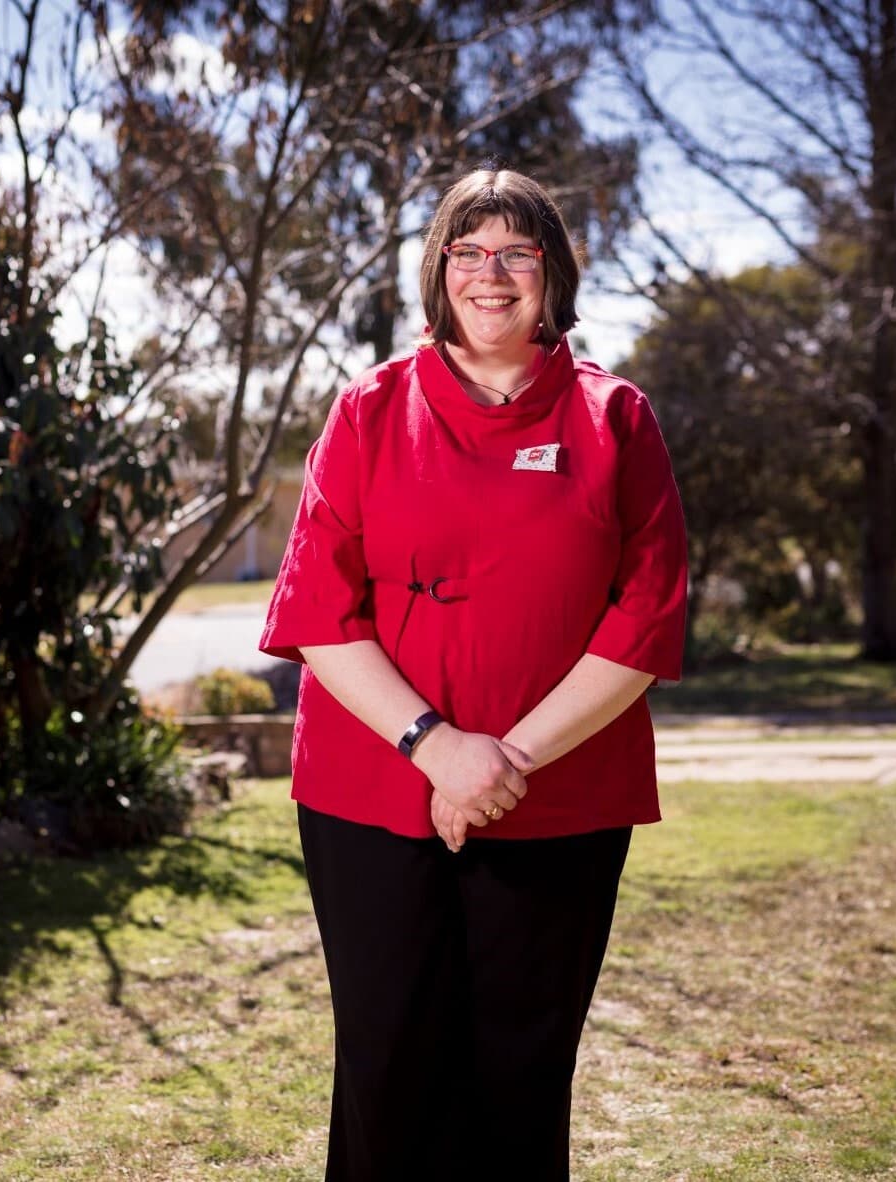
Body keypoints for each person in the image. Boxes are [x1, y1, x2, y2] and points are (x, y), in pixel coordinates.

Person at [257, 167, 688, 1181]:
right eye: (467, 251)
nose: (491, 274)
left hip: (562, 797)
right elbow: (319, 605)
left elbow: (646, 618)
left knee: (521, 1076)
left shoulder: (616, 419)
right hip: (370, 793)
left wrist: (502, 763)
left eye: (517, 253)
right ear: (437, 271)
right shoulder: (368, 411)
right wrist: (437, 748)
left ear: (553, 273)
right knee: (391, 1068)